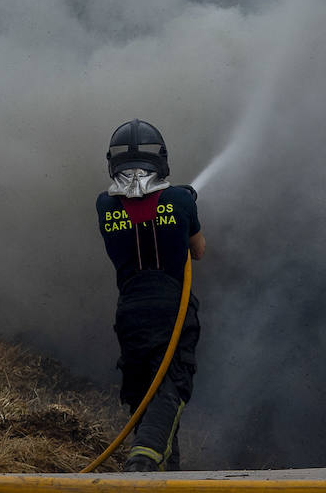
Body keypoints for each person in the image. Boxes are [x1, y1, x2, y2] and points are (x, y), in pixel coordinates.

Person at [95, 119, 206, 472]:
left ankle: (163, 476)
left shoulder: (103, 205)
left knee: (144, 394)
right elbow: (198, 251)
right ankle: (142, 461)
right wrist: (187, 205)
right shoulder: (179, 201)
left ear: (113, 163)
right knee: (170, 386)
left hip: (129, 312)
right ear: (161, 158)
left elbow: (139, 214)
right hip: (171, 308)